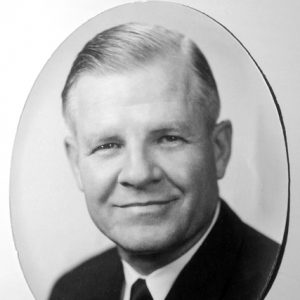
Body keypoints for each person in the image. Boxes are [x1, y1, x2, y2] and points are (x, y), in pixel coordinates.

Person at [49, 23, 280, 300]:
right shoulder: (72, 291)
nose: (139, 174)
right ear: (76, 164)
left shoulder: (282, 281)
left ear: (219, 149)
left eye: (169, 138)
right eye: (108, 145)